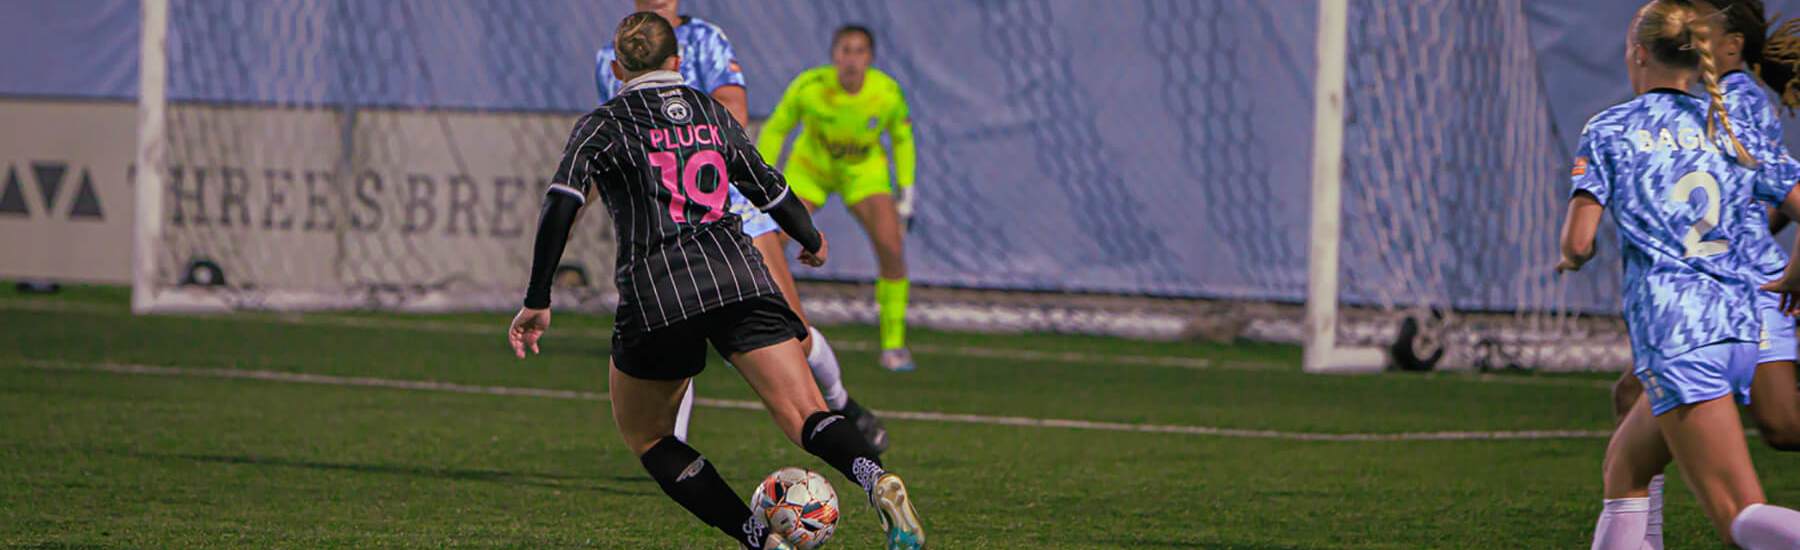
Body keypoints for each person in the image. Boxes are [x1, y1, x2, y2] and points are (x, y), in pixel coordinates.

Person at [512, 13, 925, 549]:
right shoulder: (710, 110)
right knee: (806, 414)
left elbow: (561, 205)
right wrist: (810, 235)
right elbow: (766, 185)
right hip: (737, 274)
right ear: (678, 63)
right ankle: (877, 479)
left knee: (651, 437)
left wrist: (538, 298)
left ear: (617, 68)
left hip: (659, 292)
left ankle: (759, 539)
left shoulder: (602, 123)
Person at [595, 0, 888, 452]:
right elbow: (613, 143)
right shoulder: (610, 57)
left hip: (727, 208)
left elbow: (734, 112)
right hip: (663, 219)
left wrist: (676, 125)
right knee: (671, 333)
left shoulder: (705, 40)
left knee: (796, 335)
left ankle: (843, 406)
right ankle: (675, 452)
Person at [1558, 2, 1800, 547]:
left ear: (1639, 53)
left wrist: (1571, 258)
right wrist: (1794, 274)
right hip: (1740, 330)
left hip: (1679, 334)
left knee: (1739, 515)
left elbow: (1578, 242)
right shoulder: (1724, 123)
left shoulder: (1611, 128)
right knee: (1625, 467)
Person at [758, 25, 919, 372]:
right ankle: (757, 336)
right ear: (834, 56)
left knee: (891, 245)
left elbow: (903, 140)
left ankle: (894, 345)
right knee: (769, 243)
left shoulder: (886, 93)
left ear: (870, 58)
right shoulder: (810, 87)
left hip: (863, 173)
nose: (851, 59)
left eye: (860, 51)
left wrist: (907, 191)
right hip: (810, 169)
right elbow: (777, 127)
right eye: (845, 50)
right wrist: (759, 176)